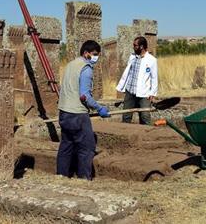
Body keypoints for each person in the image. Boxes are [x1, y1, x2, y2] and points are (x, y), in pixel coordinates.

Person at [56, 40, 110, 180]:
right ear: (86, 53)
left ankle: (61, 176)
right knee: (87, 147)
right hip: (77, 115)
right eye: (94, 54)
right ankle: (84, 179)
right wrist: (99, 108)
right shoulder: (86, 69)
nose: (96, 58)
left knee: (66, 146)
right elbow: (84, 95)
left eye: (97, 55)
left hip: (64, 112)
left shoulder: (70, 65)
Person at [116, 36, 158, 125]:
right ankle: (124, 135)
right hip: (130, 92)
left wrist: (152, 93)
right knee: (126, 116)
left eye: (135, 45)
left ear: (141, 46)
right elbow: (128, 73)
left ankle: (146, 136)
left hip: (144, 94)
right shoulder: (132, 57)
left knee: (145, 116)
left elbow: (154, 78)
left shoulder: (152, 60)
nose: (133, 47)